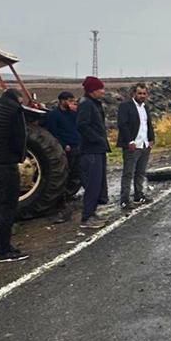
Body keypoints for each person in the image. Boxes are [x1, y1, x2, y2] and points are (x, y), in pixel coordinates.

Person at [0, 89, 30, 263]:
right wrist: (20, 155)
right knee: (8, 207)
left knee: (1, 206)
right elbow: (19, 136)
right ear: (16, 99)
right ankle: (4, 250)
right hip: (7, 166)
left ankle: (4, 246)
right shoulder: (14, 111)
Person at [76, 76, 110, 229]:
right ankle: (86, 217)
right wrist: (97, 139)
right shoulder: (86, 105)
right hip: (90, 151)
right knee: (92, 184)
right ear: (92, 90)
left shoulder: (93, 104)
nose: (103, 91)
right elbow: (82, 125)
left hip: (98, 149)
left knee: (99, 183)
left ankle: (92, 212)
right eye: (100, 89)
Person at [43, 91, 82, 223]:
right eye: (69, 100)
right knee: (65, 173)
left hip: (77, 145)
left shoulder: (73, 113)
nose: (72, 103)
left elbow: (78, 126)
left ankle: (70, 194)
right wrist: (63, 144)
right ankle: (61, 199)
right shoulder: (54, 115)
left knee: (76, 172)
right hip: (66, 148)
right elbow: (53, 132)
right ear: (62, 101)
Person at [116, 82, 155, 210]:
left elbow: (148, 124)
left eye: (144, 93)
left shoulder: (145, 107)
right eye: (139, 93)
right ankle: (125, 200)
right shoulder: (125, 106)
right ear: (134, 93)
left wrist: (151, 139)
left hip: (144, 145)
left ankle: (139, 195)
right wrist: (130, 141)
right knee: (128, 173)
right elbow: (123, 125)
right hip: (132, 146)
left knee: (140, 172)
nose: (142, 96)